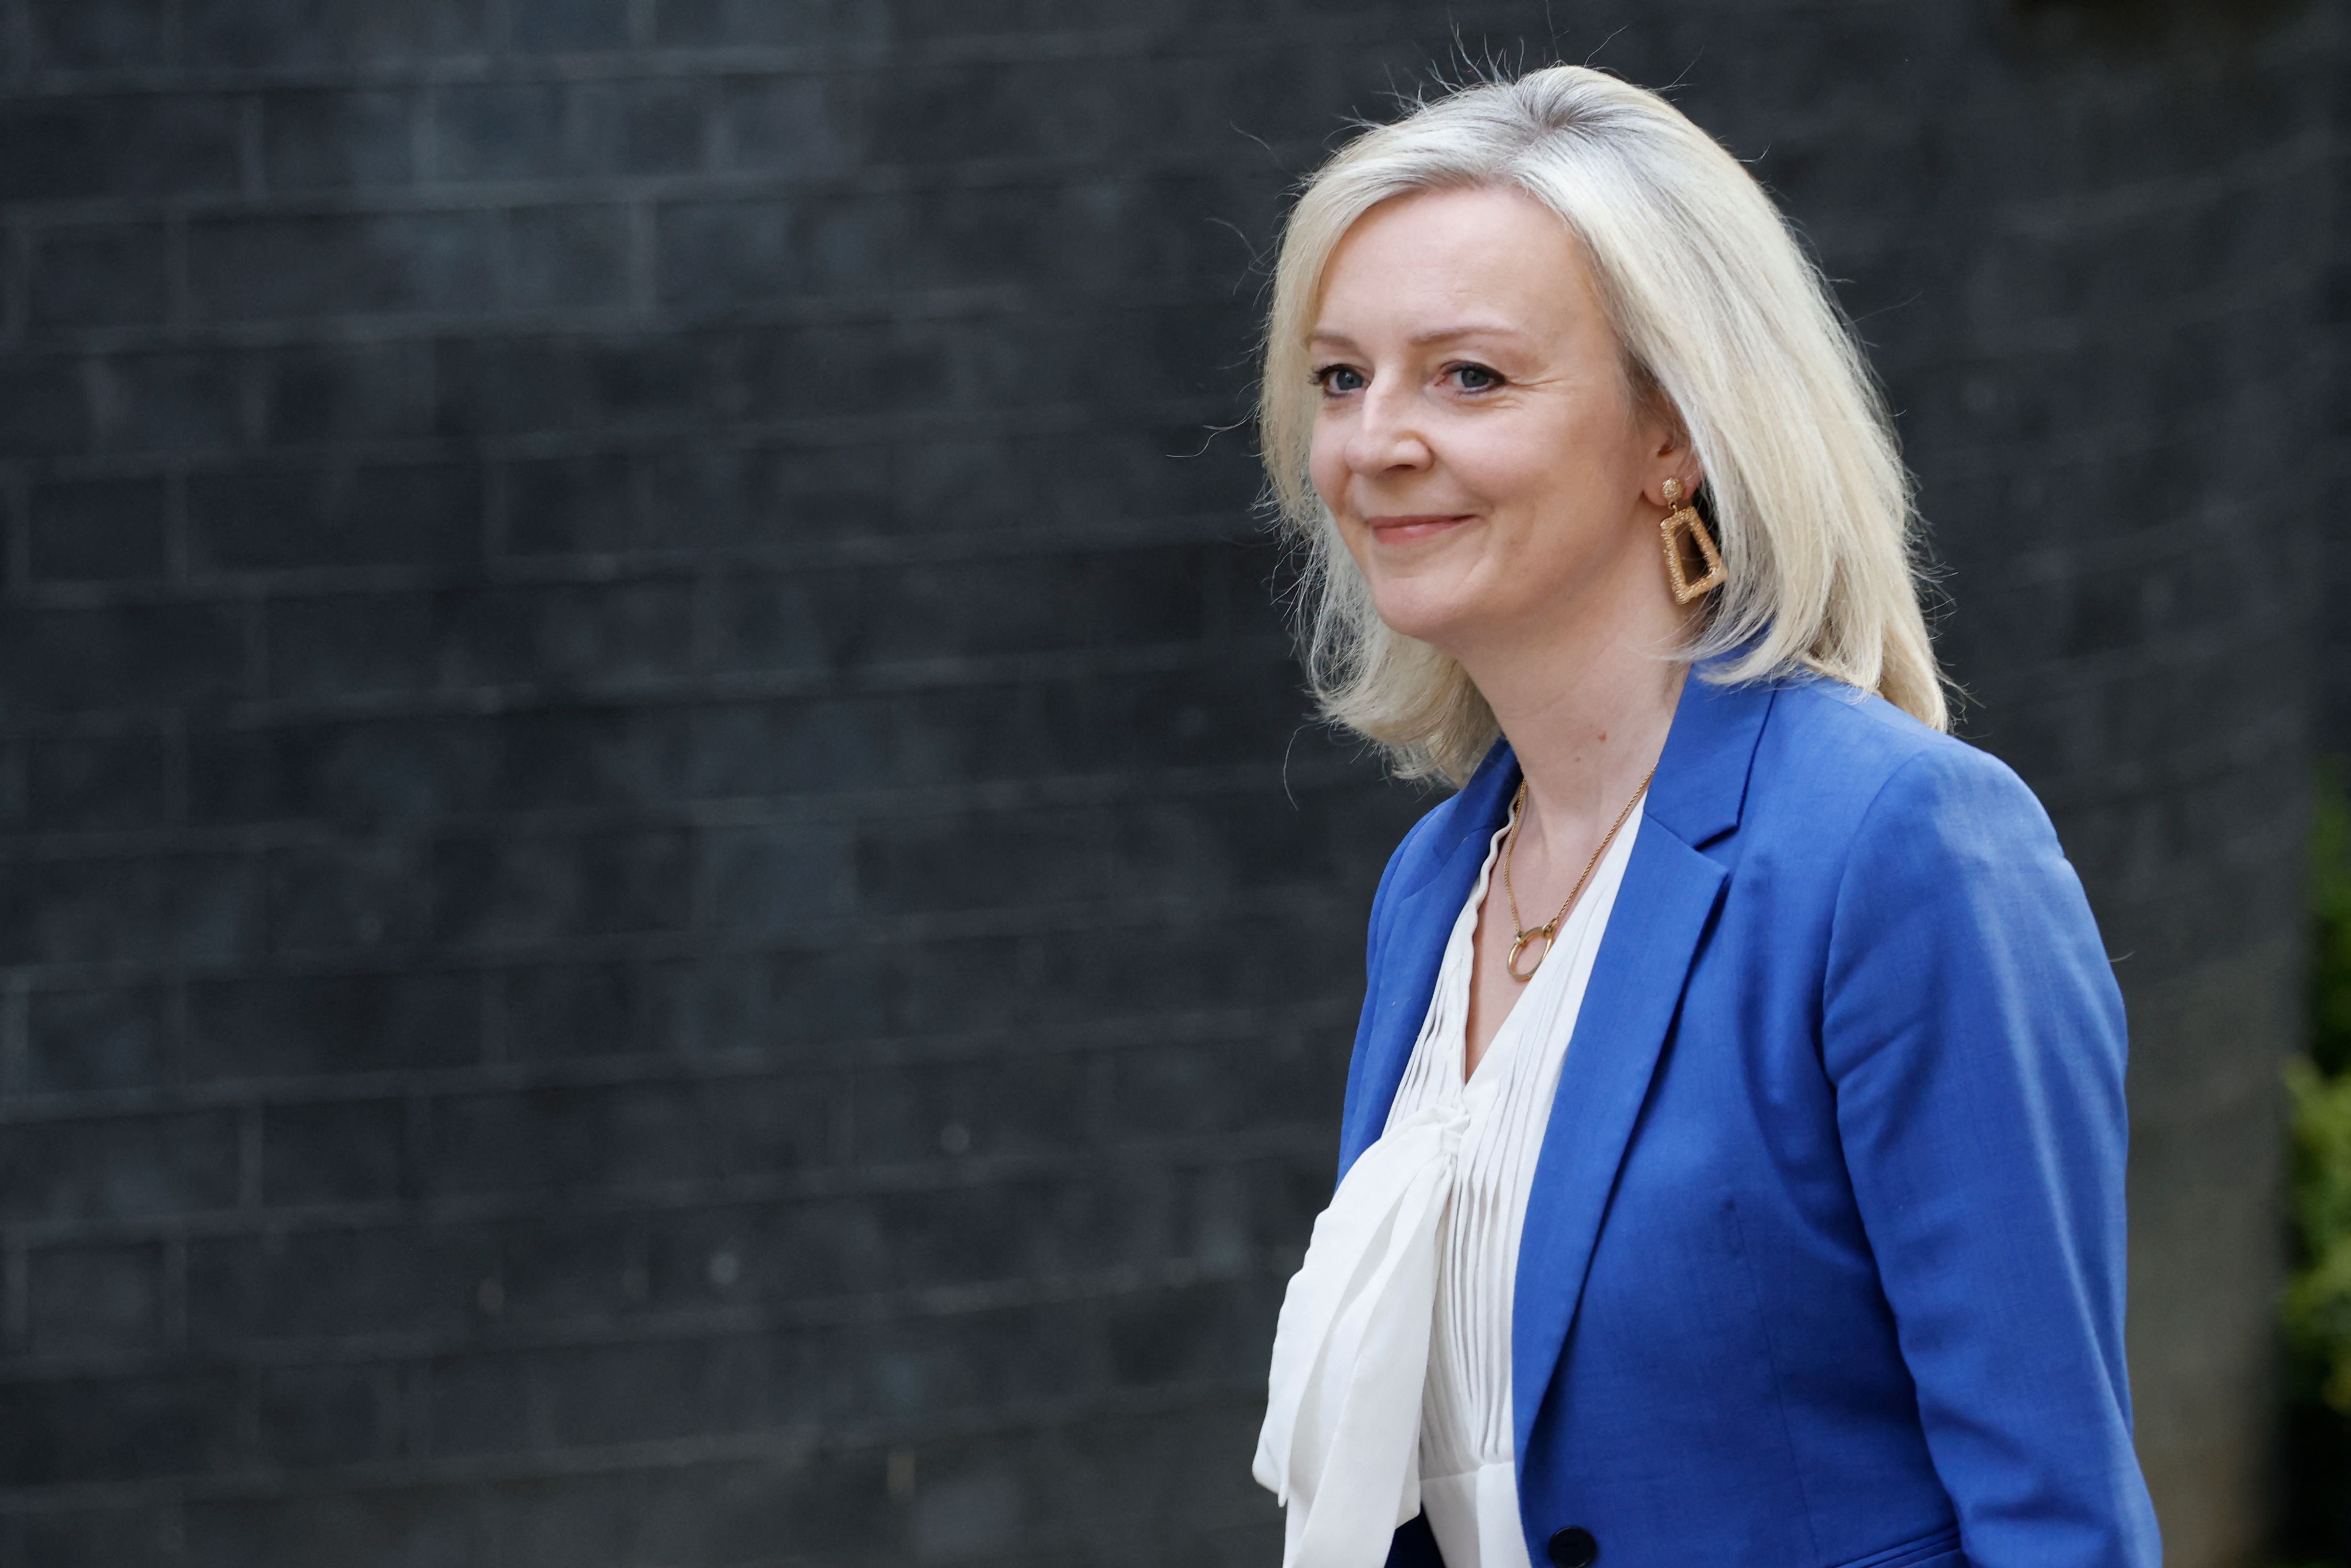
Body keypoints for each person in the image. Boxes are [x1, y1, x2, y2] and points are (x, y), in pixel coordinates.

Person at [1247, 66, 2159, 1568]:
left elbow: (2057, 1514)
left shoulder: (1900, 850)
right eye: (1342, 378)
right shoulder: (1436, 886)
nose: (1375, 442)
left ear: (1670, 432)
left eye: (1468, 377)